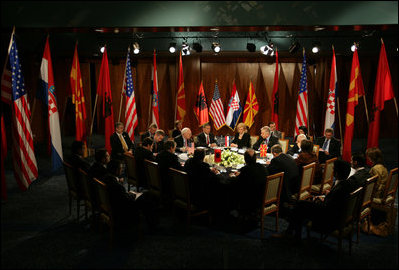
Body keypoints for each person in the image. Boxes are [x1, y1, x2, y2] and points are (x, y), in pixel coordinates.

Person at [279, 157, 368, 240]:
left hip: (329, 220)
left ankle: (291, 233)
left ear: (336, 173)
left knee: (300, 206)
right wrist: (326, 197)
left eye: (333, 169)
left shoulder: (340, 189)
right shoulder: (347, 184)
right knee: (301, 206)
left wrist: (320, 200)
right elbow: (335, 202)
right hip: (339, 216)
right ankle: (292, 232)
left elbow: (328, 207)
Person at [102, 159, 159, 232]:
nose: (122, 170)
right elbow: (126, 200)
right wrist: (133, 195)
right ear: (116, 170)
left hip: (113, 206)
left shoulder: (106, 179)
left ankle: (152, 221)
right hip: (122, 211)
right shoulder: (116, 186)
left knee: (146, 195)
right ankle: (153, 226)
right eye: (121, 168)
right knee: (148, 197)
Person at [231, 149, 269, 219]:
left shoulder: (245, 170)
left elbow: (238, 183)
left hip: (251, 199)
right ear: (256, 158)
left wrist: (233, 177)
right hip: (263, 196)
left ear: (245, 159)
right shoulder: (262, 167)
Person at [267, 144, 300, 213]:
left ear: (274, 153)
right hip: (296, 184)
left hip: (286, 187)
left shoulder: (276, 160)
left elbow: (268, 171)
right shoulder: (288, 156)